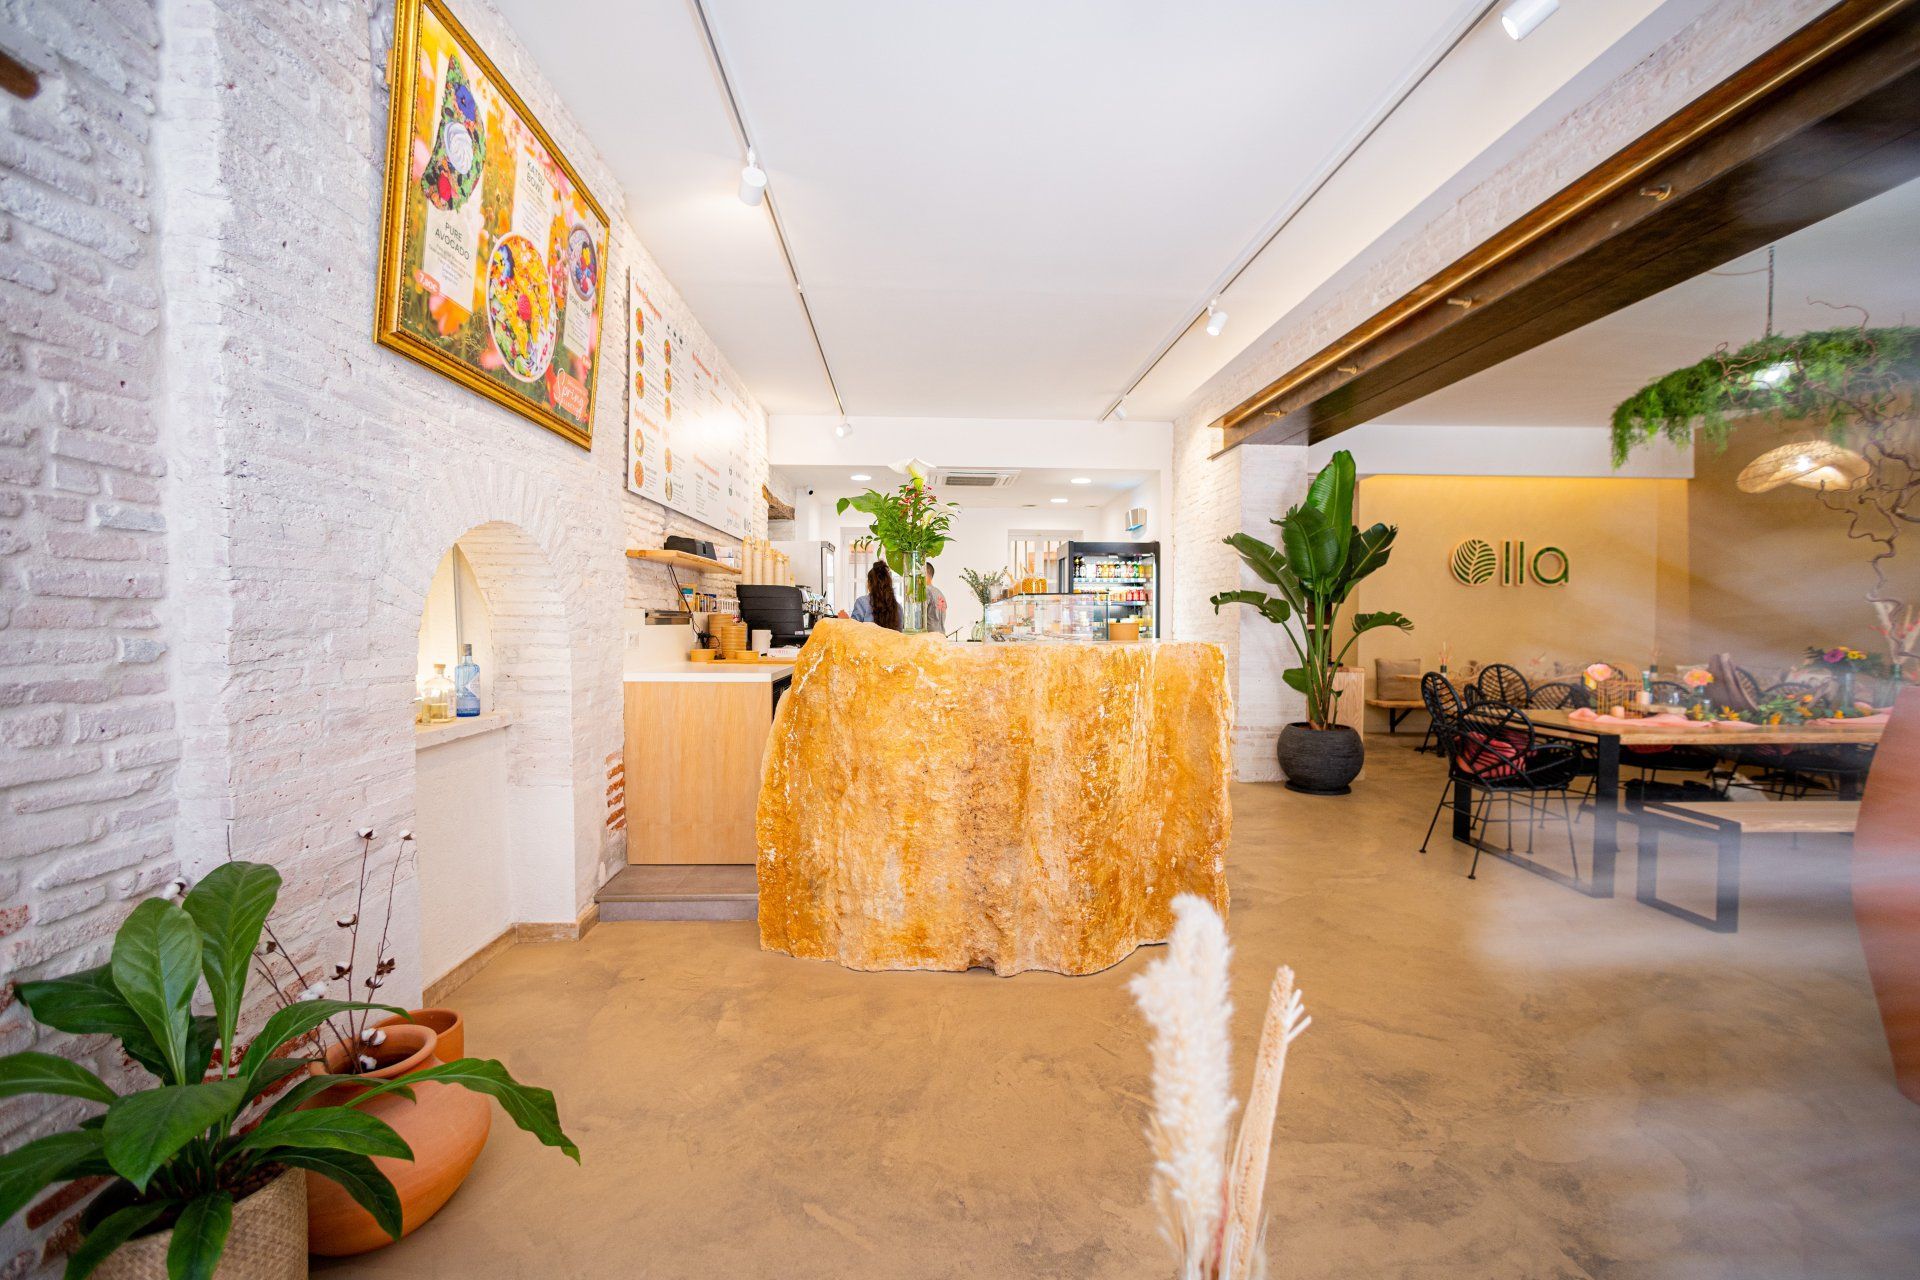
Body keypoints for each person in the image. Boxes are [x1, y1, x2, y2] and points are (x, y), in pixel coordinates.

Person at [848, 560, 902, 630]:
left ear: (870, 584)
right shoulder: (898, 608)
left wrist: (844, 620)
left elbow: (853, 631)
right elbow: (899, 635)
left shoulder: (862, 602)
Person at [924, 561, 947, 634]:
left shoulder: (926, 590)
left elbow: (919, 616)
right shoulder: (940, 593)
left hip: (930, 638)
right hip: (941, 636)